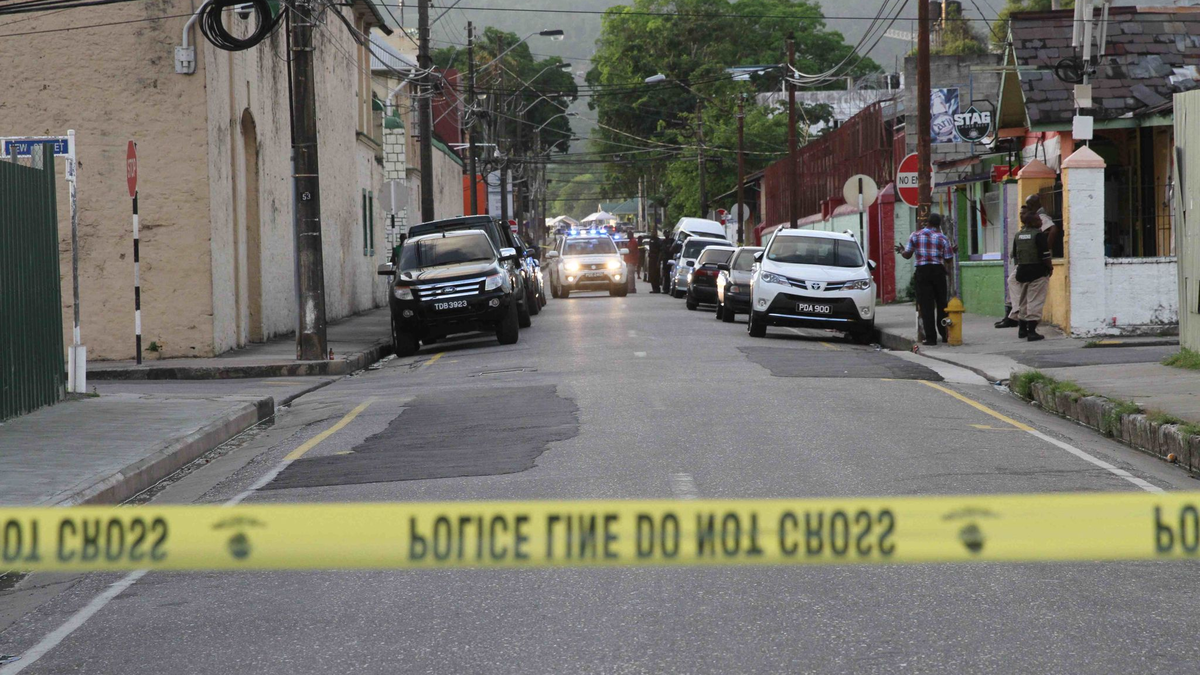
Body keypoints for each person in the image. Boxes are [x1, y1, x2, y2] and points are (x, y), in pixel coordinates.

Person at [996, 193, 1058, 328]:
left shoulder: (1040, 219)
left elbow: (1052, 231)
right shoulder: (1027, 229)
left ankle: (1020, 320)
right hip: (1027, 265)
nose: (1023, 214)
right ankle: (1017, 318)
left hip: (1033, 265)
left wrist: (1046, 251)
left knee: (1029, 297)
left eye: (1027, 208)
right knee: (1022, 291)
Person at [895, 213, 954, 346]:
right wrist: (951, 252)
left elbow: (907, 255)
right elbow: (948, 259)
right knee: (941, 304)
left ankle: (931, 338)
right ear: (939, 225)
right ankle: (944, 335)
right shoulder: (943, 238)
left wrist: (902, 250)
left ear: (927, 223)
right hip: (938, 271)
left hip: (922, 272)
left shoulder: (915, 235)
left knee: (926, 306)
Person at [1012, 209, 1054, 341]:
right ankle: (1032, 332)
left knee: (1023, 300)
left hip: (1022, 271)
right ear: (1032, 222)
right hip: (1038, 271)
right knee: (1035, 301)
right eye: (1038, 220)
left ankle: (1022, 329)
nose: (1041, 222)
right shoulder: (1038, 235)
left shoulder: (1018, 235)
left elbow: (1015, 254)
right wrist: (1050, 267)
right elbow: (1045, 254)